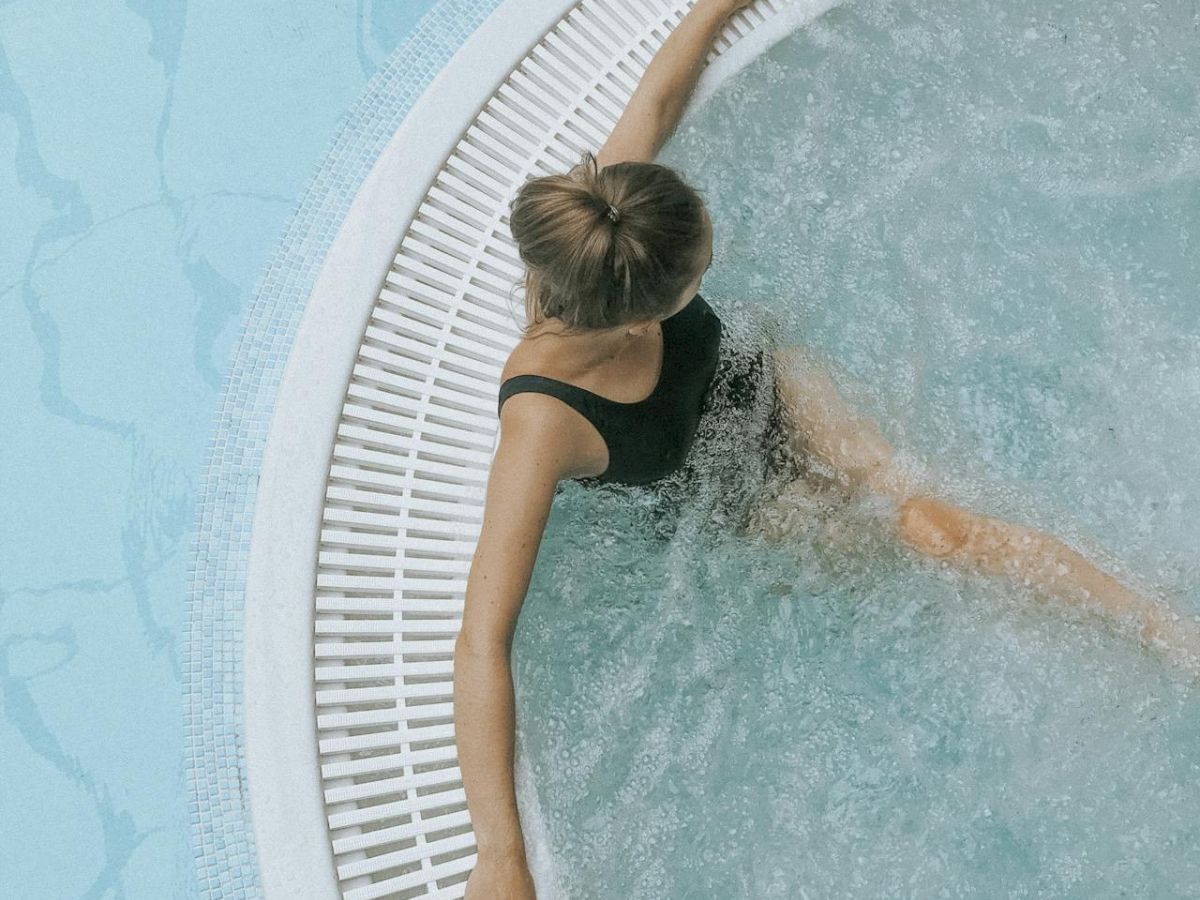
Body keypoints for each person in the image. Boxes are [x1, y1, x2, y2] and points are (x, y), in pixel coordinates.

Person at [452, 0, 1200, 896]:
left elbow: (653, 101)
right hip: (718, 497)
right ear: (642, 314)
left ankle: (1164, 626)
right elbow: (481, 642)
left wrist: (716, 5)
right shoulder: (542, 423)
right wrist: (500, 855)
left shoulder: (613, 220)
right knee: (864, 561)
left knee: (931, 529)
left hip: (775, 387)